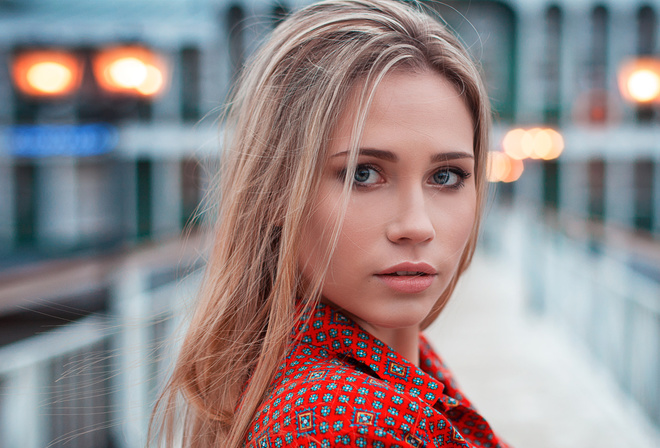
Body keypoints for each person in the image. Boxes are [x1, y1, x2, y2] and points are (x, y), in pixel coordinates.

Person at [151, 0, 509, 447]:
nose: (417, 226)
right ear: (277, 191)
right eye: (364, 173)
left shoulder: (393, 367)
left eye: (446, 176)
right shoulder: (346, 424)